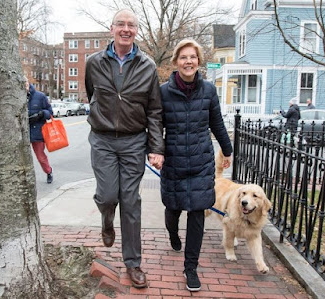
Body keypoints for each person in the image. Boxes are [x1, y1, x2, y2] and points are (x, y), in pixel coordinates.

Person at [84, 9, 164, 289]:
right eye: (121, 24)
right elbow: (91, 93)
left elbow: (154, 110)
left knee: (131, 202)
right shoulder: (93, 62)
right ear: (112, 29)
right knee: (107, 196)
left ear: (136, 31)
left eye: (131, 25)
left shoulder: (148, 66)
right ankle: (107, 220)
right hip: (103, 140)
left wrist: (157, 147)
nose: (126, 29)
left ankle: (133, 263)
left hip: (133, 141)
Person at [160, 39, 233, 292]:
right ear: (176, 62)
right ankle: (172, 233)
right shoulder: (163, 92)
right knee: (172, 209)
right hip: (174, 162)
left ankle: (190, 268)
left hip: (201, 161)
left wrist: (227, 149)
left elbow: (217, 123)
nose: (188, 61)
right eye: (183, 57)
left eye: (192, 57)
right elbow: (156, 126)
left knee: (197, 213)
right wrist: (154, 151)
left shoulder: (209, 91)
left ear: (198, 61)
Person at [26, 77, 54, 184]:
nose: (24, 87)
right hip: (22, 132)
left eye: (26, 84)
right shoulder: (16, 97)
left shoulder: (40, 96)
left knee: (41, 157)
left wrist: (41, 115)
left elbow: (50, 112)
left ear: (29, 83)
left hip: (37, 131)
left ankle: (48, 172)